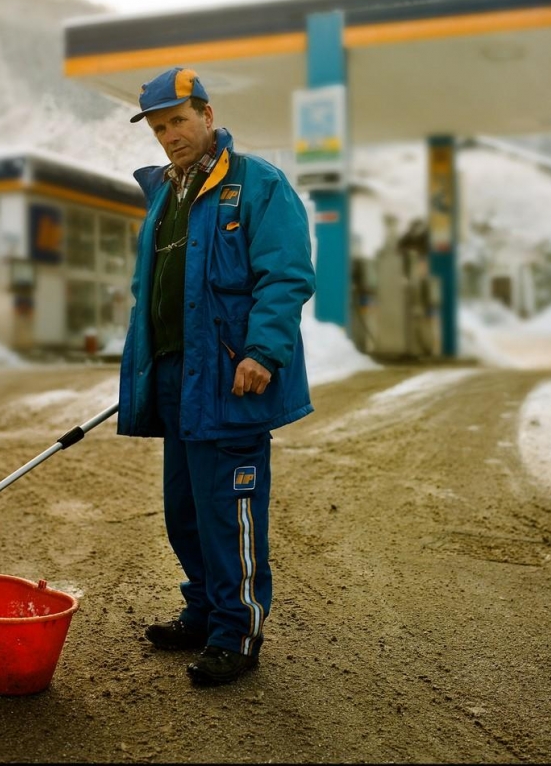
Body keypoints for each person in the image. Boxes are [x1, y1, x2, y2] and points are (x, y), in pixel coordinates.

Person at [116, 67, 316, 686]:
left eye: (177, 120)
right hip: (177, 378)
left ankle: (237, 630)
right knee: (185, 508)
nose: (169, 135)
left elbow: (286, 275)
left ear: (206, 115)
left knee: (231, 509)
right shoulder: (164, 197)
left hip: (234, 378)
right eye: (158, 127)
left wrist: (263, 350)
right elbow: (150, 292)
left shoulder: (257, 184)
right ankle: (202, 611)